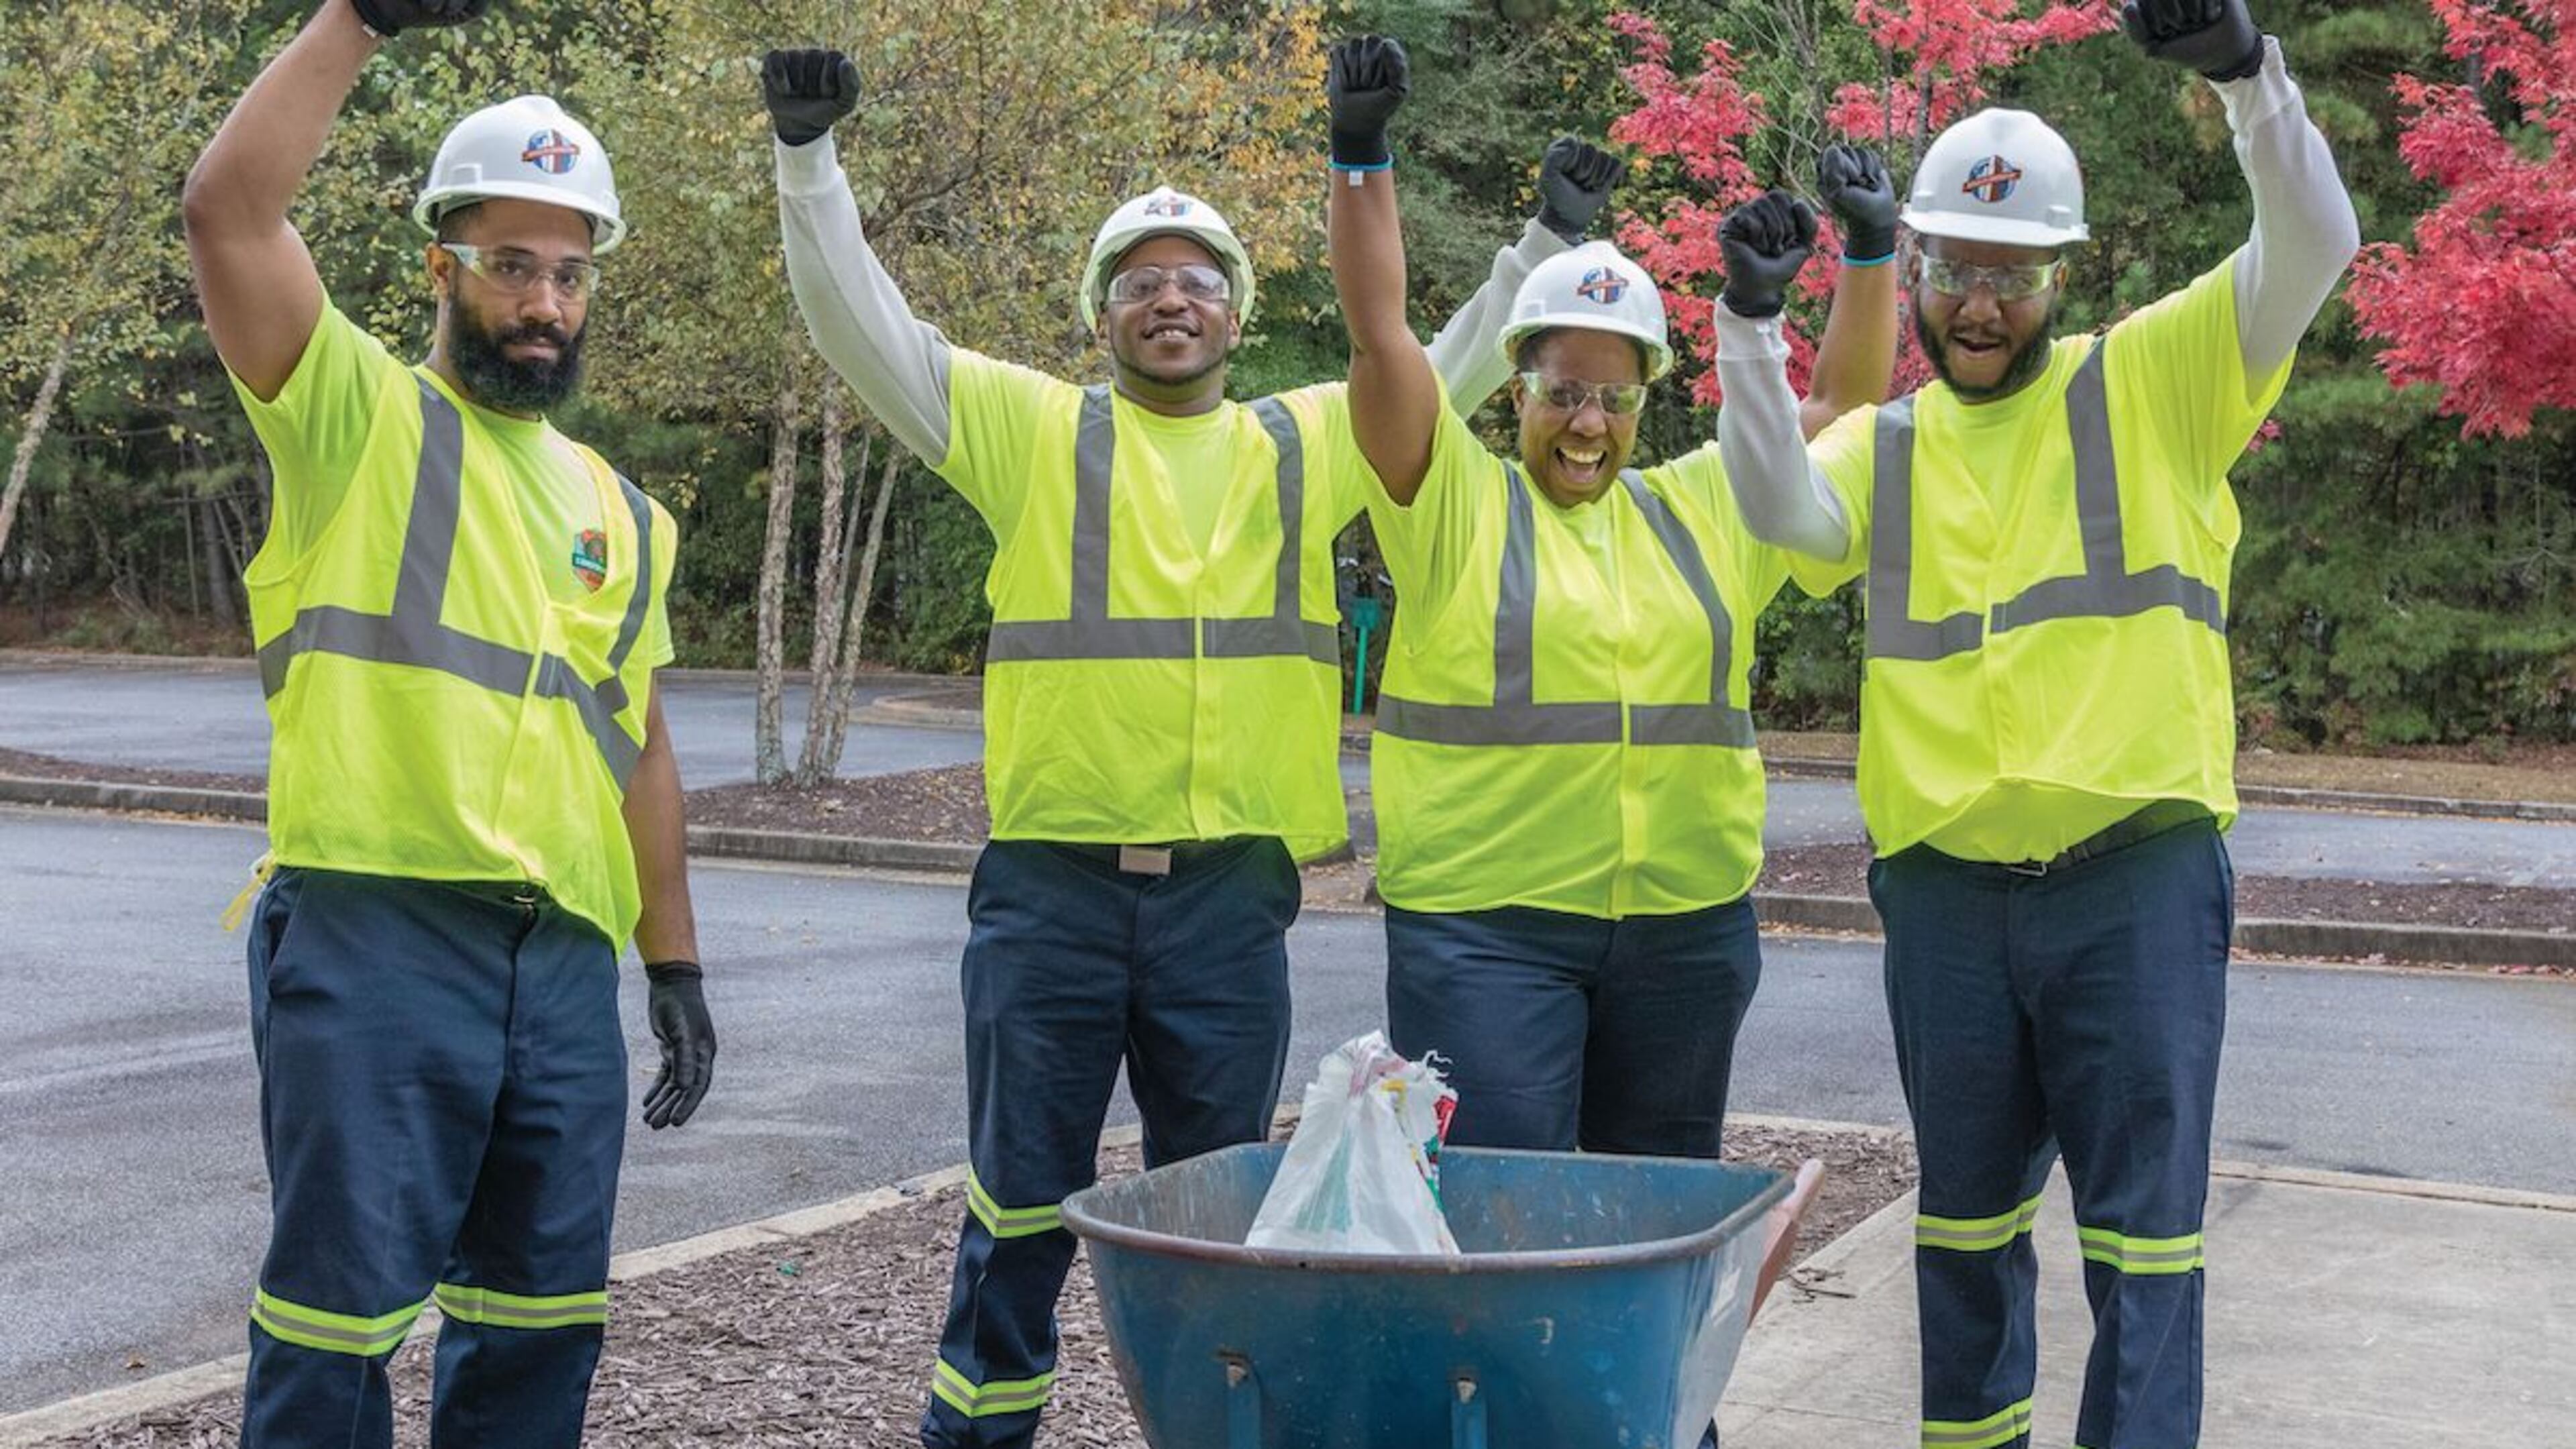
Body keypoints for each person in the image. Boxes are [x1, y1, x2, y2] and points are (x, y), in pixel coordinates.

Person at [757, 45, 1620, 1449]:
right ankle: (977, 1433)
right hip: (1052, 897)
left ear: (1237, 312)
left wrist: (1544, 245)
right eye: (1142, 281)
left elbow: (1430, 361)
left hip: (1228, 901)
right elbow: (868, 331)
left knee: (1216, 1223)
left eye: (1198, 278)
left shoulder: (1305, 442)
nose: (1171, 298)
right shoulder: (1031, 432)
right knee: (1018, 1203)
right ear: (1104, 318)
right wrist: (809, 162)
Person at [1714, 1, 2359, 1444]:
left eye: (2013, 274)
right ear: (1923, 271)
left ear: (2063, 276)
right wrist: (1747, 332)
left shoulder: (2158, 379)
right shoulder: (1886, 442)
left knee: (2145, 1246)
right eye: (1954, 271)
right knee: (1962, 1233)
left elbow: (2315, 246)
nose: (1981, 305)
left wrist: (2252, 82)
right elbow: (1771, 505)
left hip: (2130, 878)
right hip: (1946, 897)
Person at [182, 1, 718, 1443]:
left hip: (558, 967)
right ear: (444, 267)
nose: (543, 302)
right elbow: (228, 213)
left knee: (539, 1324)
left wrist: (672, 962)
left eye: (569, 273)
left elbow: (640, 743)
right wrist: (357, 22)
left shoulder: (623, 510)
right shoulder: (353, 416)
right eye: (509, 267)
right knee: (334, 1321)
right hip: (374, 935)